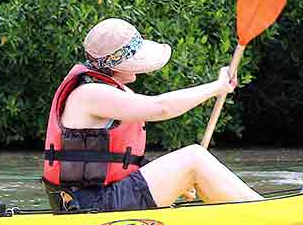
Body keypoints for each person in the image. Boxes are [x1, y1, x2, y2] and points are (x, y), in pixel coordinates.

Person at [42, 17, 264, 212]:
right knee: (194, 158)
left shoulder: (104, 89)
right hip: (95, 206)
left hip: (98, 200)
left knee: (189, 168)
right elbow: (162, 108)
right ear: (115, 65)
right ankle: (266, 214)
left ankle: (251, 212)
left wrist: (173, 181)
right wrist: (217, 87)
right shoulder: (90, 93)